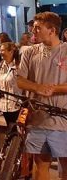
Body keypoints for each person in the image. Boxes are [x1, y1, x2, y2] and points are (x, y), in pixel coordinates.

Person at [16, 12, 67, 180]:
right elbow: (20, 80)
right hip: (37, 118)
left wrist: (55, 89)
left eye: (38, 28)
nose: (33, 31)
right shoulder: (30, 52)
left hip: (63, 120)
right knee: (41, 164)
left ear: (52, 30)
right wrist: (38, 87)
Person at [0, 42, 21, 127]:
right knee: (10, 129)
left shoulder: (18, 66)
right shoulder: (1, 65)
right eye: (0, 51)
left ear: (11, 52)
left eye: (3, 50)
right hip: (4, 106)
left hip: (16, 106)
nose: (0, 52)